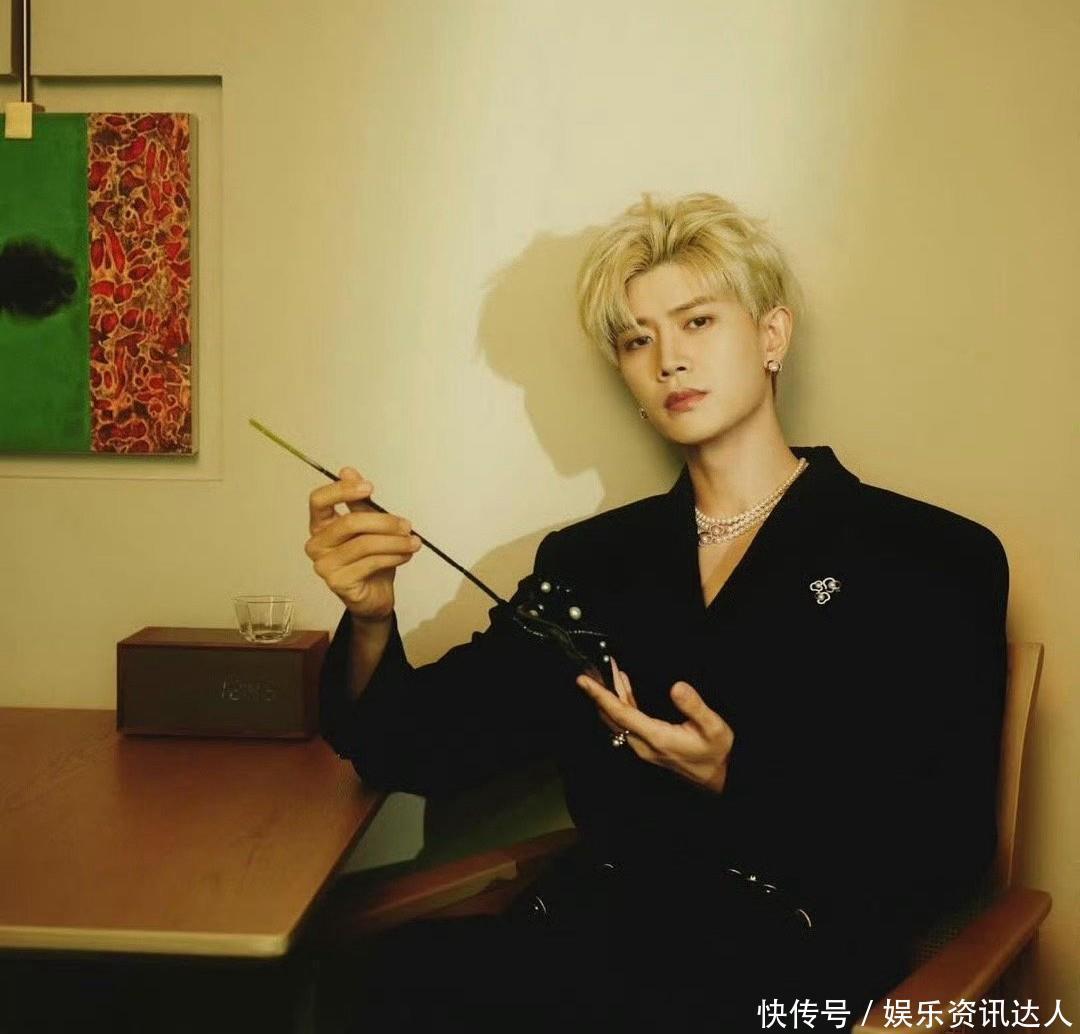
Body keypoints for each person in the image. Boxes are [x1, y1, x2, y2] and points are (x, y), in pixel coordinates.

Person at [305, 193, 1008, 1032]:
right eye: (638, 340)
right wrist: (372, 616)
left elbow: (946, 852)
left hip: (793, 965)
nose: (670, 359)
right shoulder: (593, 563)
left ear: (772, 336)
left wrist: (735, 778)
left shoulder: (927, 555)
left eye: (698, 322)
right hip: (598, 944)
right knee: (374, 984)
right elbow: (417, 747)